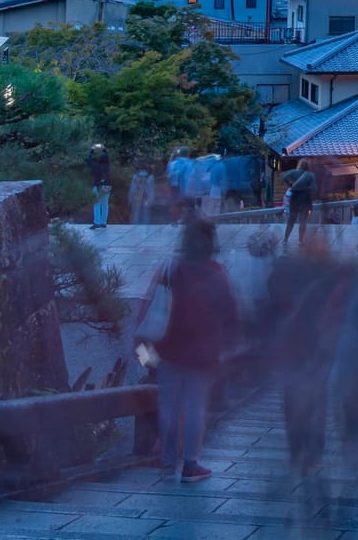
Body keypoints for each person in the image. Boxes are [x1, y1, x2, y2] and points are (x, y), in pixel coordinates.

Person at [133, 218, 242, 483]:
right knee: (195, 406)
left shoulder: (169, 268)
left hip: (167, 347)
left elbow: (147, 310)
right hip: (203, 352)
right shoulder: (216, 272)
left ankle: (168, 462)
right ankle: (191, 464)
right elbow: (229, 313)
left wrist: (142, 352)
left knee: (168, 404)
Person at [283, 165, 316, 247]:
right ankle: (300, 240)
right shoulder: (310, 175)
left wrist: (291, 185)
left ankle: (285, 239)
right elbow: (313, 188)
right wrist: (306, 188)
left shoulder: (294, 173)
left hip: (295, 198)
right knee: (303, 221)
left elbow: (284, 177)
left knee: (291, 220)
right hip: (305, 198)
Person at [85, 143, 112, 229]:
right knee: (105, 204)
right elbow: (107, 156)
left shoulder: (96, 166)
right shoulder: (107, 166)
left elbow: (88, 159)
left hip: (98, 185)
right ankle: (103, 222)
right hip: (108, 186)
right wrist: (104, 149)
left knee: (97, 204)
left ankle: (97, 222)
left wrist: (92, 150)